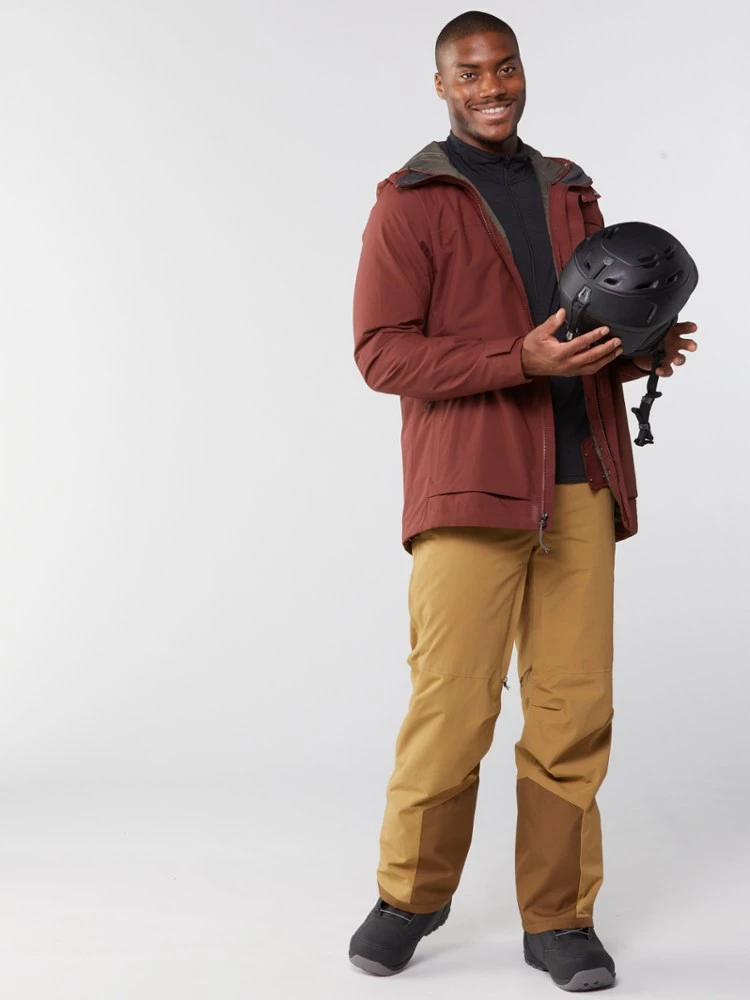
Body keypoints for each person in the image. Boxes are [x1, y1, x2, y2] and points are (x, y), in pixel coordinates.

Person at [349, 9, 698, 992]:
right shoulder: (409, 202)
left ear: (521, 72)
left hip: (582, 478)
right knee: (452, 704)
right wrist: (518, 359)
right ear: (441, 85)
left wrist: (634, 353)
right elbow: (381, 353)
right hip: (472, 486)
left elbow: (575, 333)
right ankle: (410, 897)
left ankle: (559, 918)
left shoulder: (568, 188)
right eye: (470, 72)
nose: (492, 86)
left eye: (504, 67)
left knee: (573, 709)